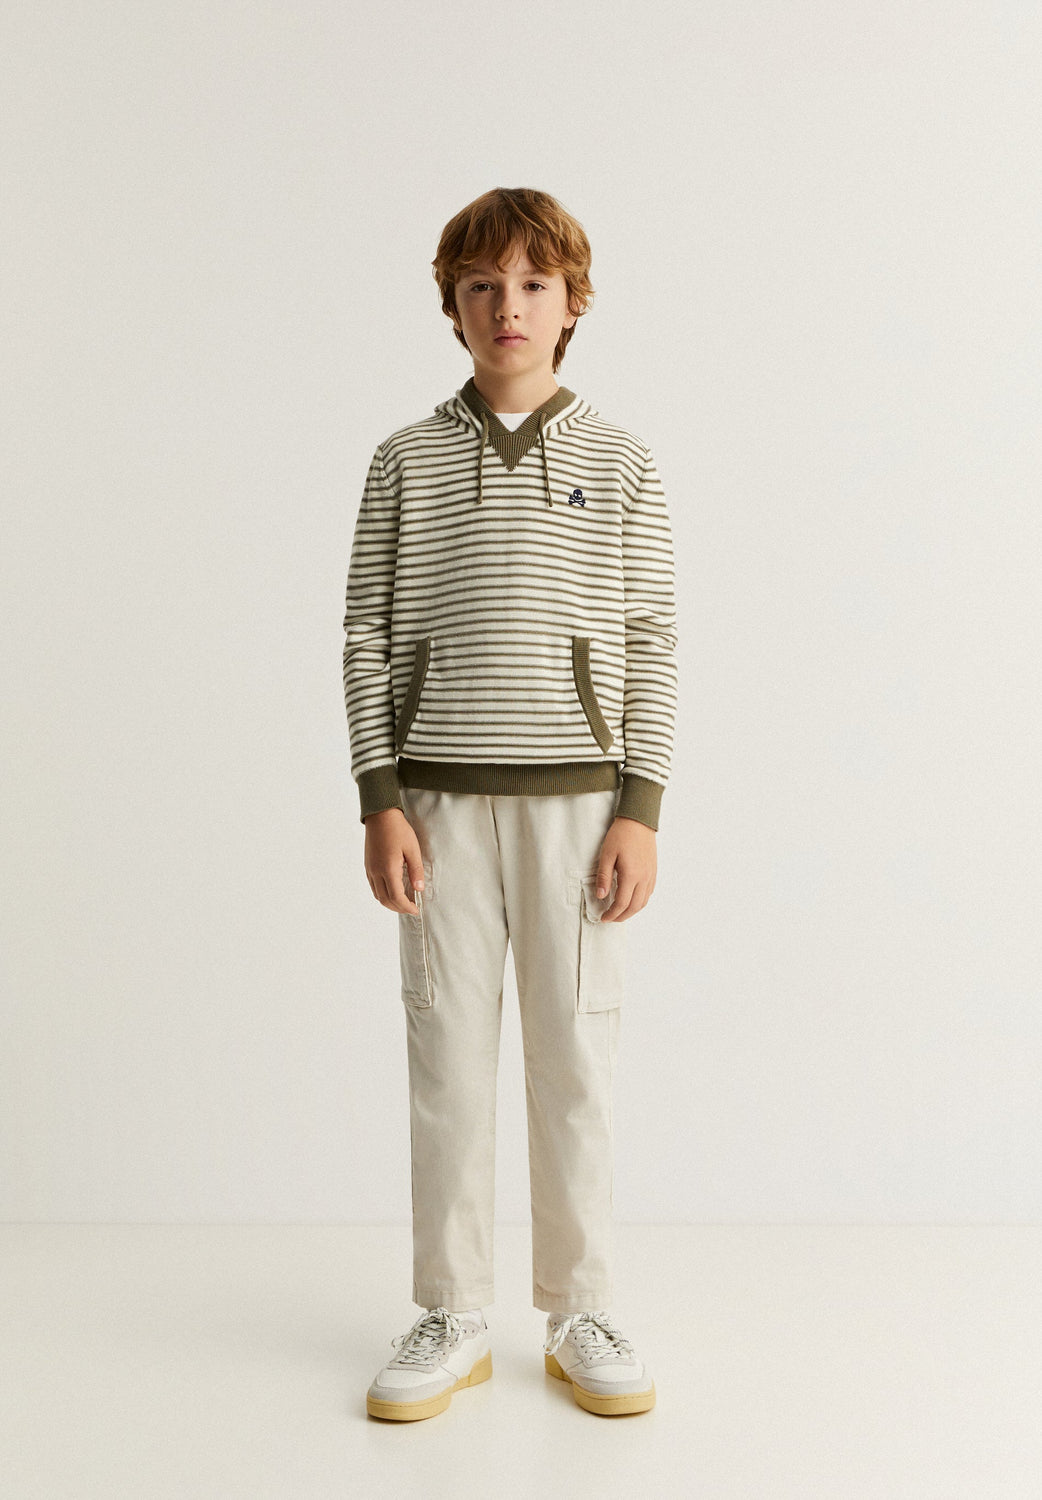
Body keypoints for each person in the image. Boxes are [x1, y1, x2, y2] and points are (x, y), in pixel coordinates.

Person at [342, 187, 678, 1421]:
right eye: (482, 285)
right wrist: (380, 797)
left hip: (579, 813)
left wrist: (640, 807)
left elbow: (650, 641)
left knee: (575, 1061)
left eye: (533, 284)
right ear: (452, 306)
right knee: (445, 1060)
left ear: (571, 303)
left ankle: (579, 1306)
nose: (507, 307)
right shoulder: (405, 460)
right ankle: (451, 1309)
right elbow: (366, 636)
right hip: (434, 807)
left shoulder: (621, 460)